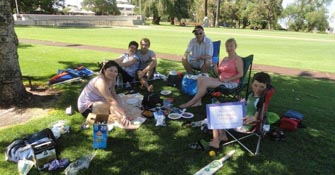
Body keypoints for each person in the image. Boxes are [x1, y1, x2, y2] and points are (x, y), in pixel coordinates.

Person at [209, 72, 272, 148]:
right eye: (255, 85)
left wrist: (252, 119)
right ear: (251, 84)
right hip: (239, 117)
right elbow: (248, 105)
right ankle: (222, 135)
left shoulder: (260, 101)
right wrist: (243, 103)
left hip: (244, 125)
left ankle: (215, 141)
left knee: (214, 115)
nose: (257, 89)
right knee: (217, 108)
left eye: (262, 87)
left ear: (266, 87)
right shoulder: (251, 94)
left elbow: (255, 118)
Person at [179, 38, 243, 108]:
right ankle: (198, 102)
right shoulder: (225, 59)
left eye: (231, 46)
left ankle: (190, 103)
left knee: (205, 83)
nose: (229, 48)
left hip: (230, 83)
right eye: (227, 46)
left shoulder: (237, 59)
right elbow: (218, 73)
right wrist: (215, 66)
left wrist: (228, 79)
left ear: (235, 47)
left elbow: (241, 74)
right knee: (201, 78)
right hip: (221, 80)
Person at [77, 60, 131, 127]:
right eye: (110, 70)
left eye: (115, 71)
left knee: (118, 99)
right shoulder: (100, 81)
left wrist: (121, 109)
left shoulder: (113, 79)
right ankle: (93, 119)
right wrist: (123, 115)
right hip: (86, 107)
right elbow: (111, 101)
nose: (113, 73)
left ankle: (115, 117)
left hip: (99, 100)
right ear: (104, 70)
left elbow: (113, 93)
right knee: (109, 104)